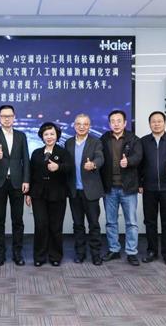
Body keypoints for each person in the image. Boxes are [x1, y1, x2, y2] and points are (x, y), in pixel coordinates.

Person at [0, 105, 30, 266]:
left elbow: (25, 159)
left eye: (9, 116)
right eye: (3, 116)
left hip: (17, 182)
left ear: (14, 117)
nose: (6, 118)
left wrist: (26, 180)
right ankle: (0, 253)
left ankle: (17, 253)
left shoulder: (21, 136)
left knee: (17, 220)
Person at [100, 110, 143, 266]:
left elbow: (139, 157)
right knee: (111, 222)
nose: (116, 124)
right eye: (113, 121)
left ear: (125, 123)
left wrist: (128, 161)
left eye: (119, 121)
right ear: (109, 124)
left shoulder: (134, 139)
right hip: (110, 187)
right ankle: (114, 249)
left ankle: (131, 252)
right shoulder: (104, 138)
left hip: (128, 188)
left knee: (131, 222)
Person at [27, 122, 72, 267]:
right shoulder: (36, 153)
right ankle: (39, 256)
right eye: (46, 134)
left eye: (52, 134)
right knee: (40, 225)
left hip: (57, 194)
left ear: (57, 135)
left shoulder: (63, 152)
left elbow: (69, 167)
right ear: (42, 136)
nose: (49, 137)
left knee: (55, 226)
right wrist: (28, 193)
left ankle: (55, 256)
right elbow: (31, 173)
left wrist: (58, 167)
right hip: (38, 194)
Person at [139, 111, 166, 266]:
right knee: (150, 221)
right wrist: (140, 183)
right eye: (153, 121)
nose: (156, 124)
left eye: (159, 121)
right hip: (149, 188)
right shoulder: (143, 141)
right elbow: (140, 164)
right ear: (149, 124)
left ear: (164, 123)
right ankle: (152, 251)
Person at [65, 114, 105, 266]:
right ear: (74, 125)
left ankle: (96, 254)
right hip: (74, 191)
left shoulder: (96, 142)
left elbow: (100, 158)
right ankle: (80, 253)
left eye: (85, 124)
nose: (82, 127)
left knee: (94, 224)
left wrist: (93, 164)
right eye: (79, 124)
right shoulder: (68, 142)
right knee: (78, 224)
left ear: (89, 126)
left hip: (91, 191)